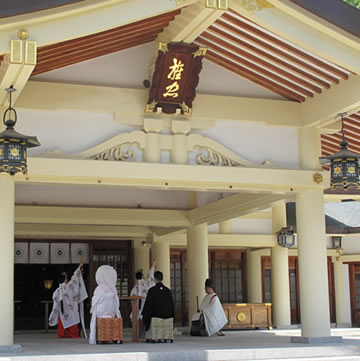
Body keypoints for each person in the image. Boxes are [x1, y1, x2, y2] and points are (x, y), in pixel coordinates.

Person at [49, 262, 88, 338]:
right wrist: (78, 269)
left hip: (63, 311)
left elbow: (55, 299)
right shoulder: (69, 287)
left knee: (62, 320)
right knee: (72, 319)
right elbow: (74, 278)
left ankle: (62, 334)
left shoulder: (57, 290)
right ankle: (73, 334)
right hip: (71, 310)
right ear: (65, 280)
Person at [89, 265, 121, 345]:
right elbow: (117, 302)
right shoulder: (113, 288)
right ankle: (113, 336)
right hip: (111, 313)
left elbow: (94, 302)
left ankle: (100, 337)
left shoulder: (99, 288)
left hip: (101, 312)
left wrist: (92, 309)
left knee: (97, 309)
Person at [130, 259, 156, 338]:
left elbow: (132, 297)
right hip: (147, 305)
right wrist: (153, 266)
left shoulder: (135, 287)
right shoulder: (146, 283)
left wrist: (133, 308)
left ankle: (140, 335)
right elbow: (151, 276)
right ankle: (147, 335)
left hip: (138, 306)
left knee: (138, 319)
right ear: (142, 276)